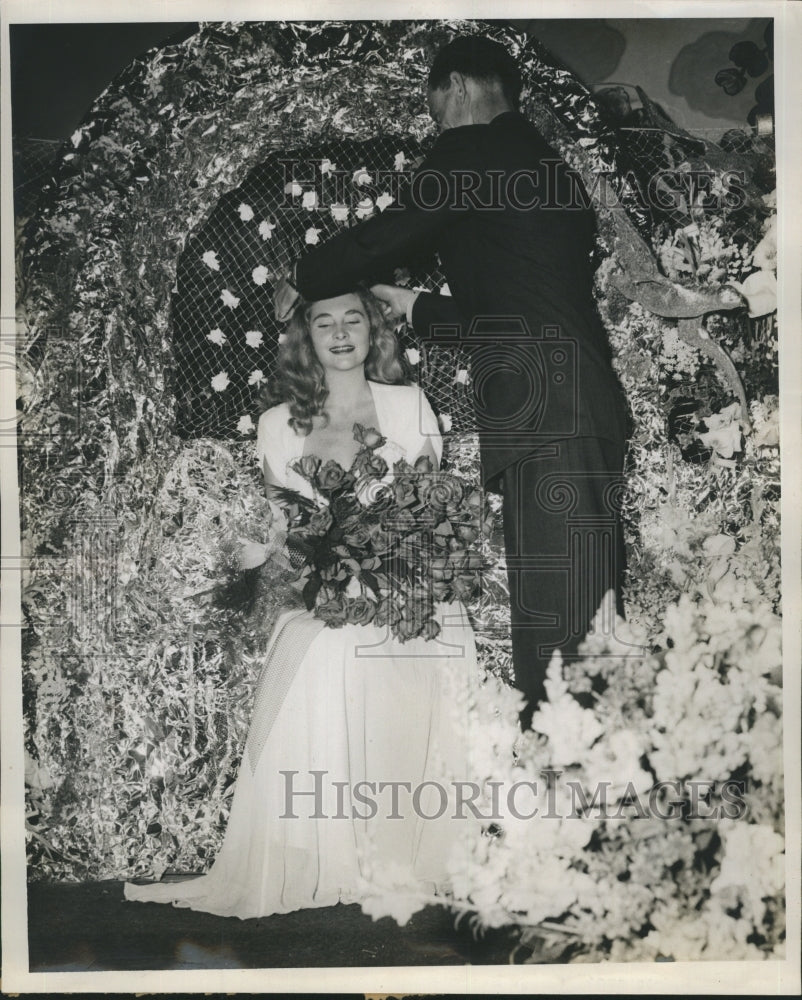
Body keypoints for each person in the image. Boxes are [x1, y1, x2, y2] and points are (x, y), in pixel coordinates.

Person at [273, 35, 629, 727]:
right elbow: (518, 310)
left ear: (459, 88)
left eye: (436, 111)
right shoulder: (546, 167)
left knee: (562, 634)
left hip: (548, 416)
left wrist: (306, 275)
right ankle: (575, 766)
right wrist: (413, 306)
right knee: (577, 620)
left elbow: (396, 228)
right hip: (569, 409)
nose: (439, 127)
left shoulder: (477, 147)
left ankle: (569, 776)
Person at [124, 288, 479, 918]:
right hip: (326, 592)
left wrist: (379, 572)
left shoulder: (408, 405)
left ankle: (396, 849)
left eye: (353, 320)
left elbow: (427, 513)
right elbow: (283, 532)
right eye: (324, 323)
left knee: (363, 646)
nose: (340, 333)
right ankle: (325, 853)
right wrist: (307, 565)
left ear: (374, 332)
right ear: (306, 339)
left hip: (408, 590)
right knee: (310, 645)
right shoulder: (276, 424)